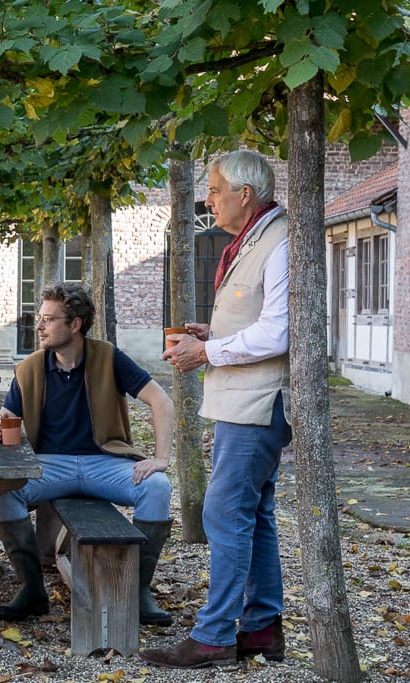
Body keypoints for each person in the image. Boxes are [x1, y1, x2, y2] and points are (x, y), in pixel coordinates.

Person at [142, 149, 291, 668]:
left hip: (258, 402)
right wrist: (217, 334)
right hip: (243, 399)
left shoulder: (281, 241)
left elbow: (279, 332)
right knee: (256, 515)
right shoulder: (257, 238)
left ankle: (213, 636)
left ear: (243, 195)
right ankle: (262, 628)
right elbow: (259, 320)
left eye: (214, 190)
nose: (208, 199)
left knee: (224, 513)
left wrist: (207, 351)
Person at [0, 282, 177, 624]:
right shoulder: (29, 368)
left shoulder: (108, 357)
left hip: (104, 463)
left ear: (75, 324)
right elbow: (6, 417)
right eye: (39, 318)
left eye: (49, 319)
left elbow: (160, 400)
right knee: (2, 490)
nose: (40, 326)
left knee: (158, 487)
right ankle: (32, 588)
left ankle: (138, 592)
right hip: (51, 466)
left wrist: (161, 458)